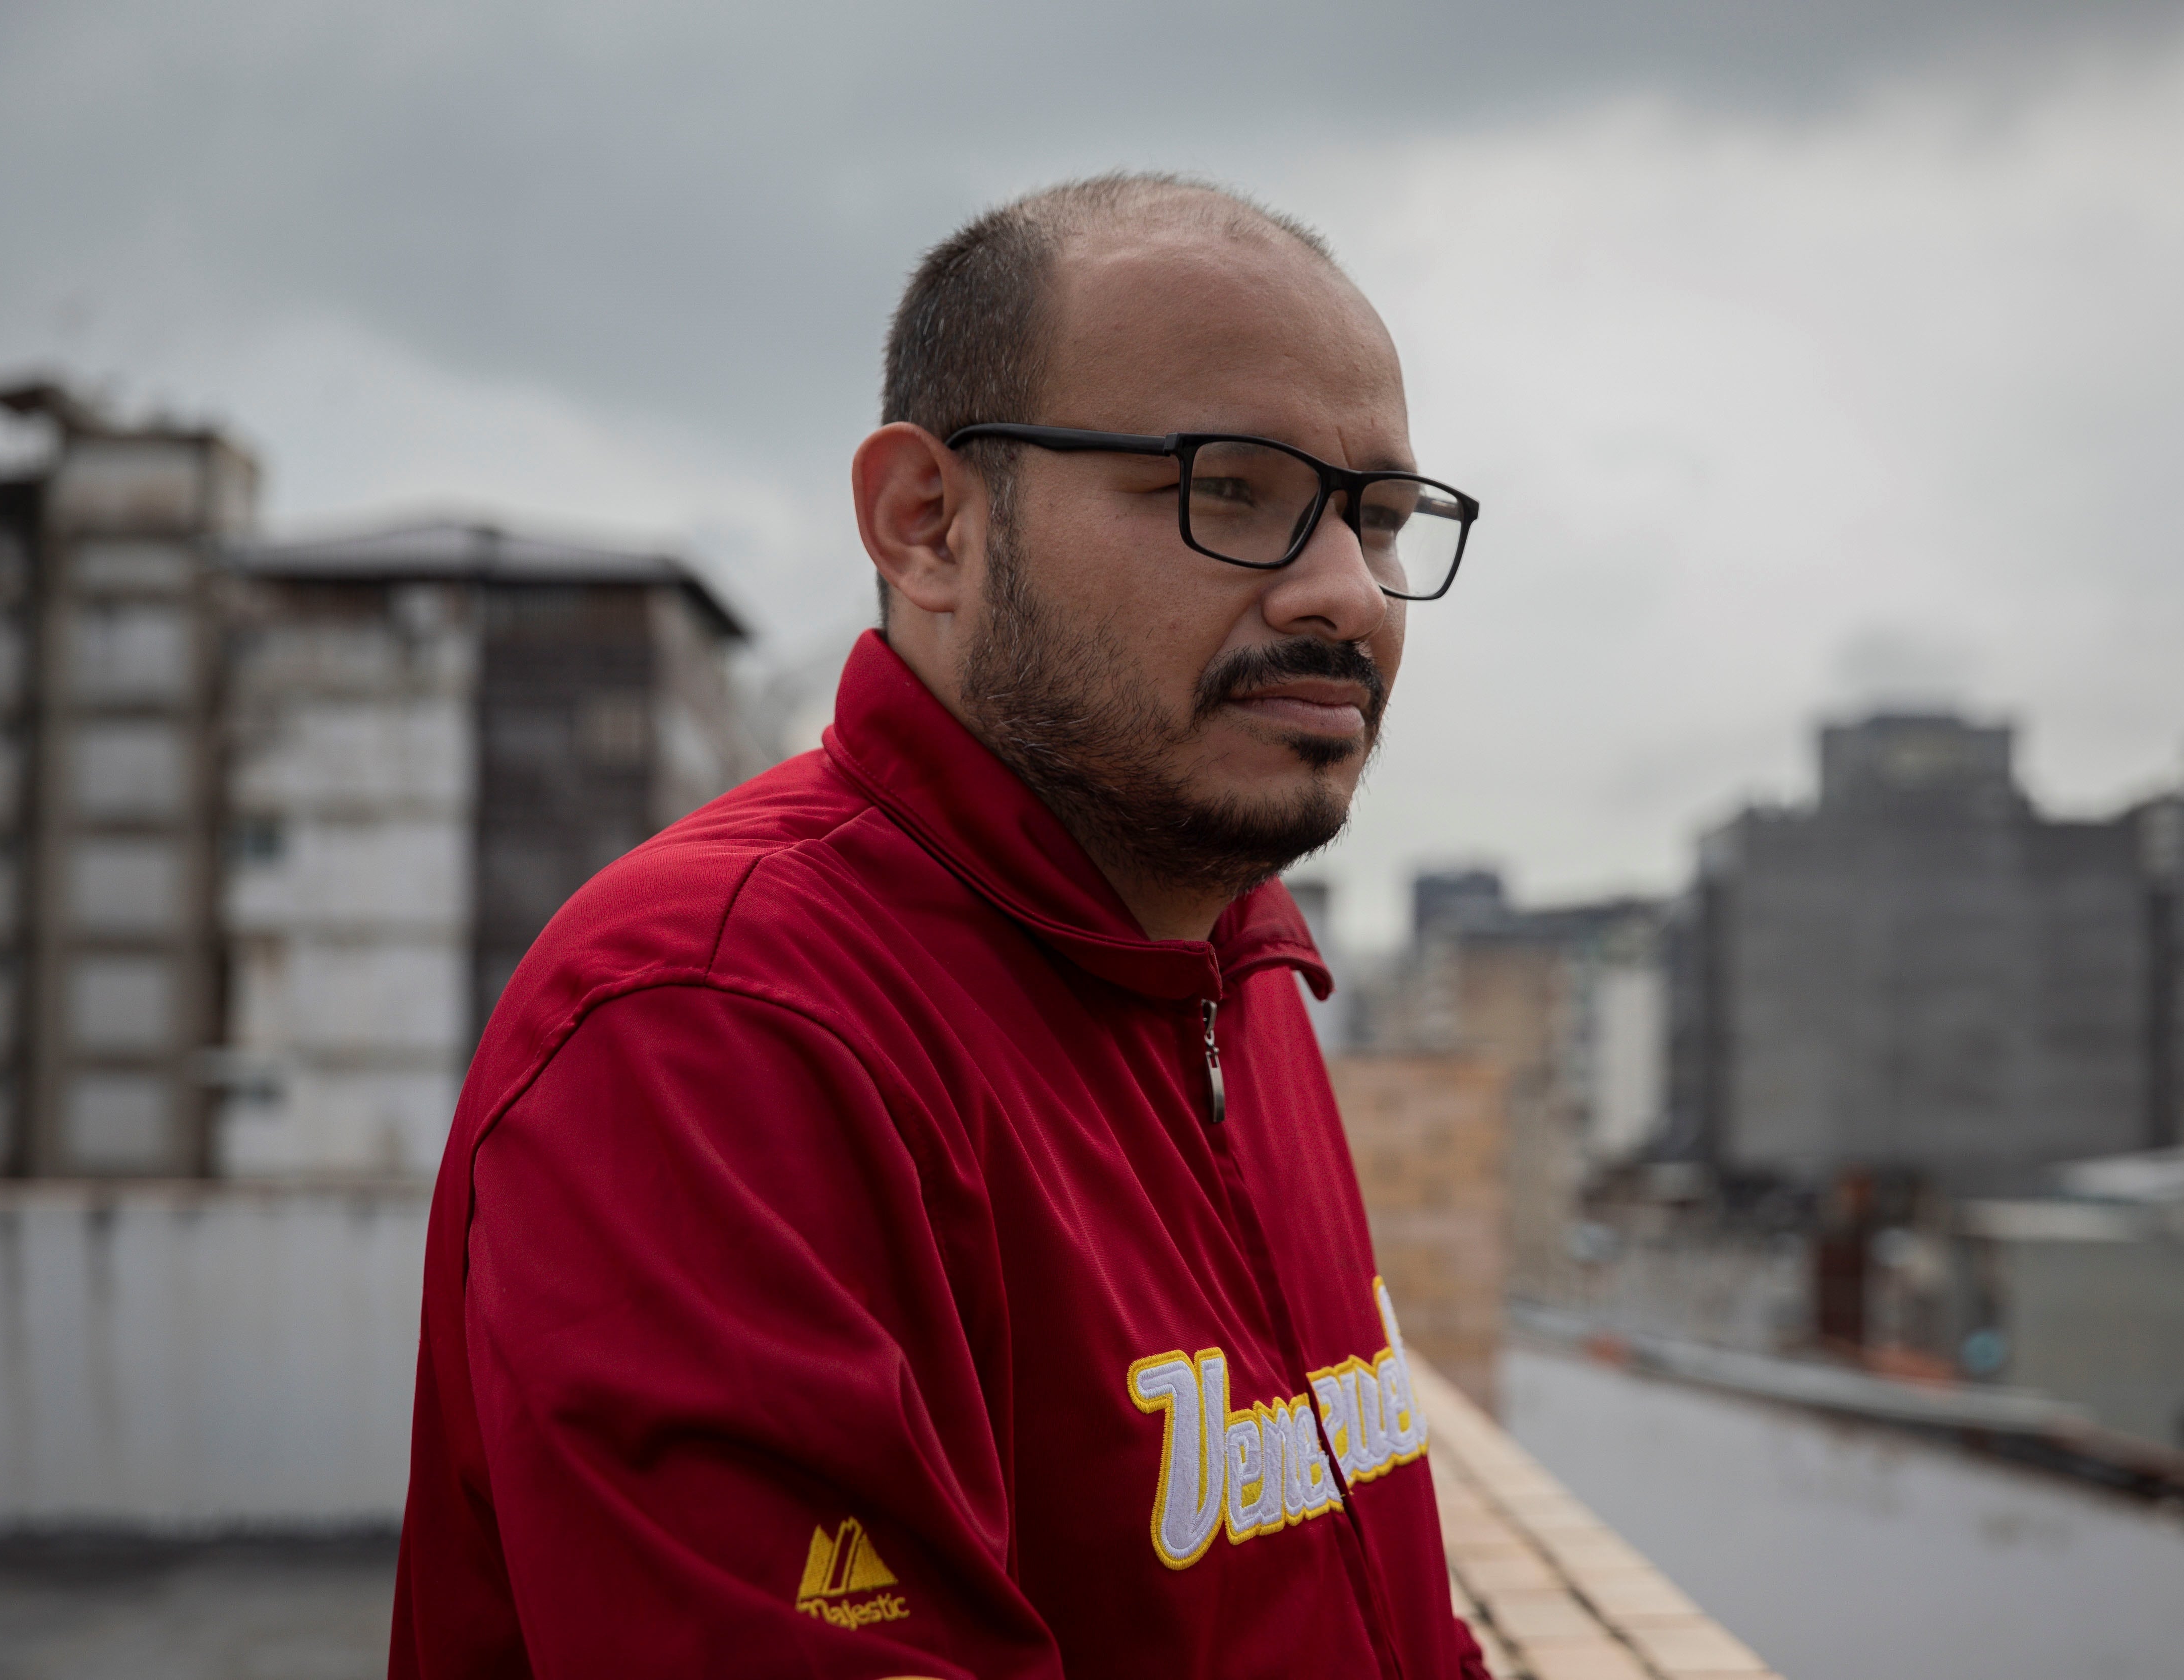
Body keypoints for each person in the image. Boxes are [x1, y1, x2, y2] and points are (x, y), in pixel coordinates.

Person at [392, 172, 1487, 1679]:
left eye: (1376, 517)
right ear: (929, 527)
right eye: (1227, 487)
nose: (1345, 594)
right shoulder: (717, 1022)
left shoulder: (1231, 962)